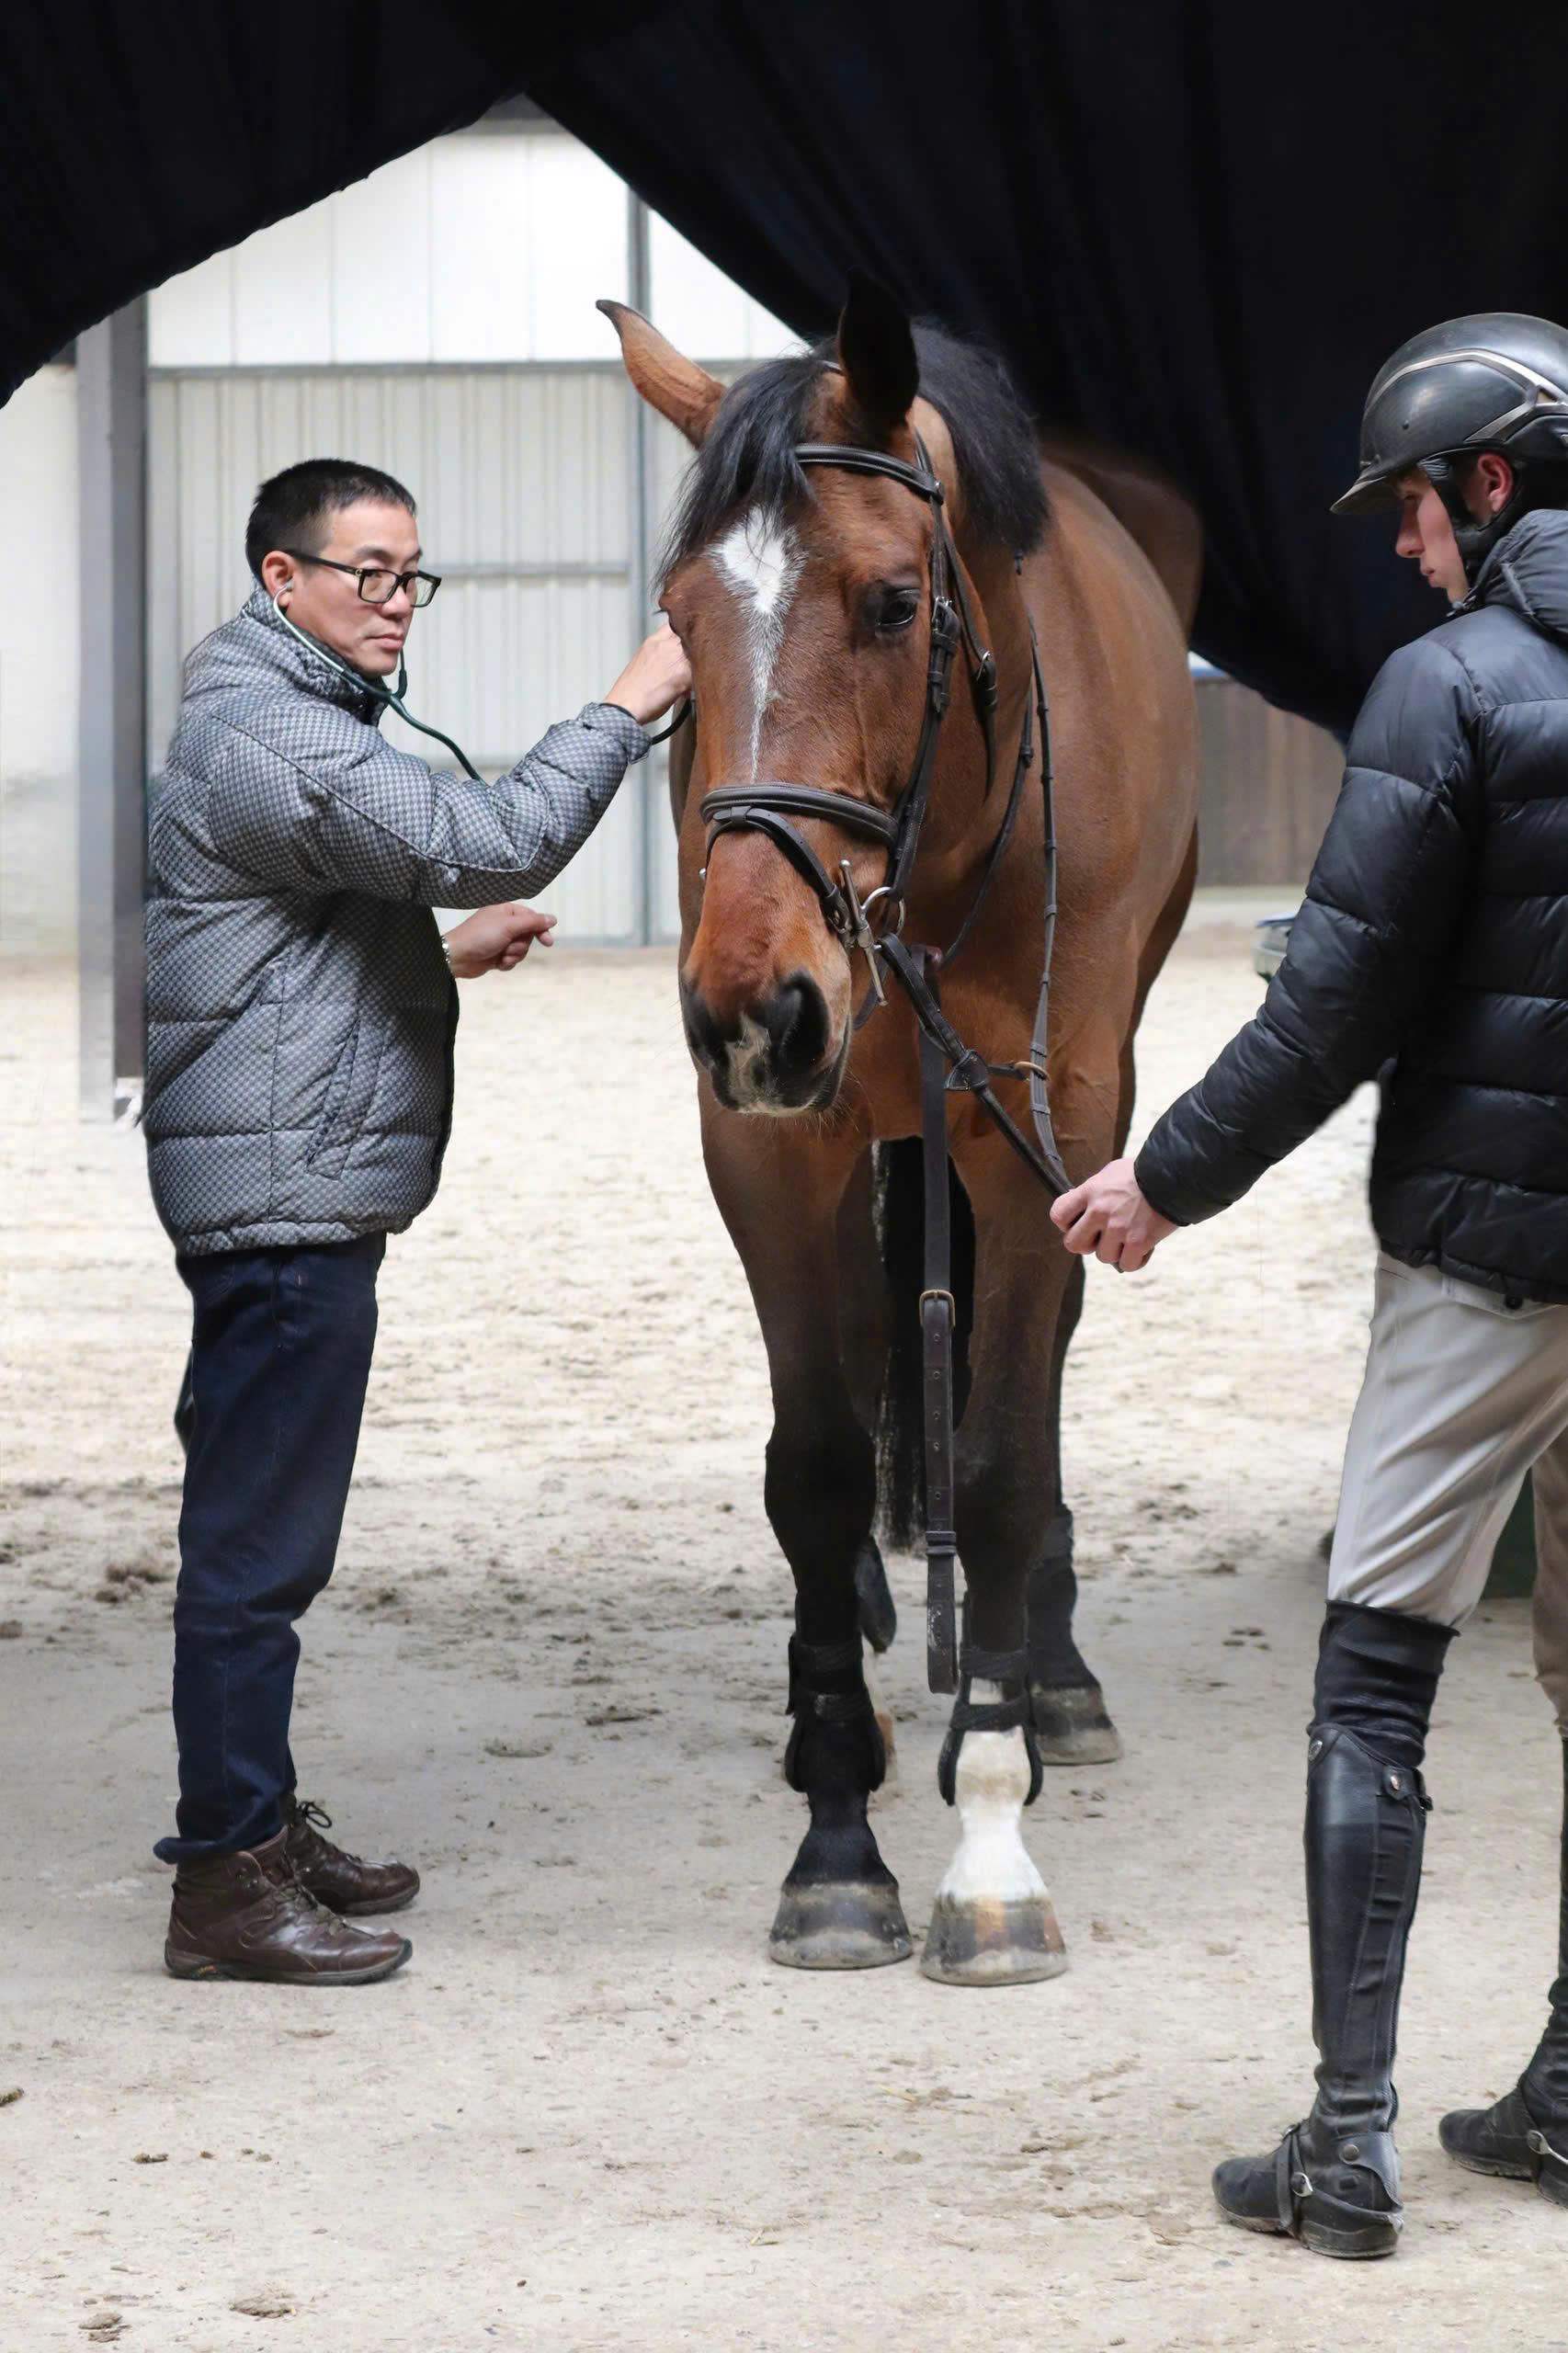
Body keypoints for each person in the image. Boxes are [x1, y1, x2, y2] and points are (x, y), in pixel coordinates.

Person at [1052, 314, 1568, 2256]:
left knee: (1373, 1674)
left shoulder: (1452, 685)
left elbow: (1336, 996)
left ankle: (1344, 2144)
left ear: (1489, 485)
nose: (1407, 549)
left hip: (1490, 1264)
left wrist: (1163, 1178)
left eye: (1415, 509)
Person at [142, 457, 688, 1986]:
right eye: (366, 574)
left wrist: (433, 958)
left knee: (260, 1535)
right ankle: (225, 1883)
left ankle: (255, 1824)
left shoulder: (282, 716)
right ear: (282, 580)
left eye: (410, 576)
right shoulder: (268, 730)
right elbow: (494, 833)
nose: (396, 604)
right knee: (257, 1553)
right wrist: (634, 695)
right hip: (283, 1209)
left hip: (285, 1184)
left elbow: (264, 965)